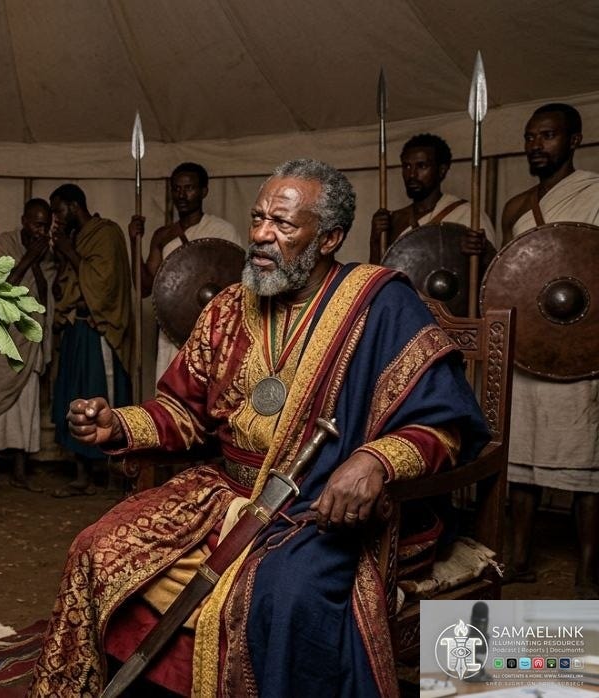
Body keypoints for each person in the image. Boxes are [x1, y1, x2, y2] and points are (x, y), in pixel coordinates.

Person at [31, 159, 488, 697]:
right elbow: (184, 411)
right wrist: (118, 425)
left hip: (321, 505)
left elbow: (444, 424)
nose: (261, 236)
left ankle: (535, 664)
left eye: (283, 224)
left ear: (330, 237)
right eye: (257, 219)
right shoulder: (227, 307)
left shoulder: (383, 304)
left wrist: (374, 461)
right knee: (97, 547)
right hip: (223, 490)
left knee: (280, 592)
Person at [496, 103, 599, 595]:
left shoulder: (596, 193)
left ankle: (587, 565)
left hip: (579, 348)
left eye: (548, 135)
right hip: (528, 346)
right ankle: (519, 556)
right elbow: (508, 277)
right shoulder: (516, 207)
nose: (536, 145)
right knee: (521, 461)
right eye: (530, 136)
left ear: (575, 140)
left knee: (586, 466)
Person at [49, 183, 133, 497]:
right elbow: (67, 285)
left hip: (99, 332)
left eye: (58, 210)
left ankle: (112, 472)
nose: (56, 218)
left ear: (73, 206)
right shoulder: (74, 239)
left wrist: (69, 252)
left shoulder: (107, 234)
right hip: (75, 330)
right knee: (74, 395)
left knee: (102, 397)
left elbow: (104, 285)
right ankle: (81, 473)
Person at [130, 161, 243, 377]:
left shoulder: (222, 231)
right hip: (173, 333)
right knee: (172, 401)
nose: (181, 195)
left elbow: (237, 287)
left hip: (213, 335)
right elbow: (145, 287)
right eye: (176, 188)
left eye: (189, 188)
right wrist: (134, 242)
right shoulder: (162, 236)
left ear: (204, 191)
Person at [0, 198, 54, 494]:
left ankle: (21, 472)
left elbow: (45, 295)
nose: (41, 231)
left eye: (46, 226)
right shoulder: (1, 247)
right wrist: (27, 259)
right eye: (37, 224)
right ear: (23, 220)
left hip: (28, 339)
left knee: (25, 407)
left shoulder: (45, 254)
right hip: (0, 338)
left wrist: (36, 259)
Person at [369, 133, 494, 263]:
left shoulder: (468, 215)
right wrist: (375, 240)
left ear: (442, 170)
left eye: (422, 166)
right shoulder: (394, 220)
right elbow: (377, 276)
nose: (412, 174)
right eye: (406, 166)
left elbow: (492, 273)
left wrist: (482, 251)